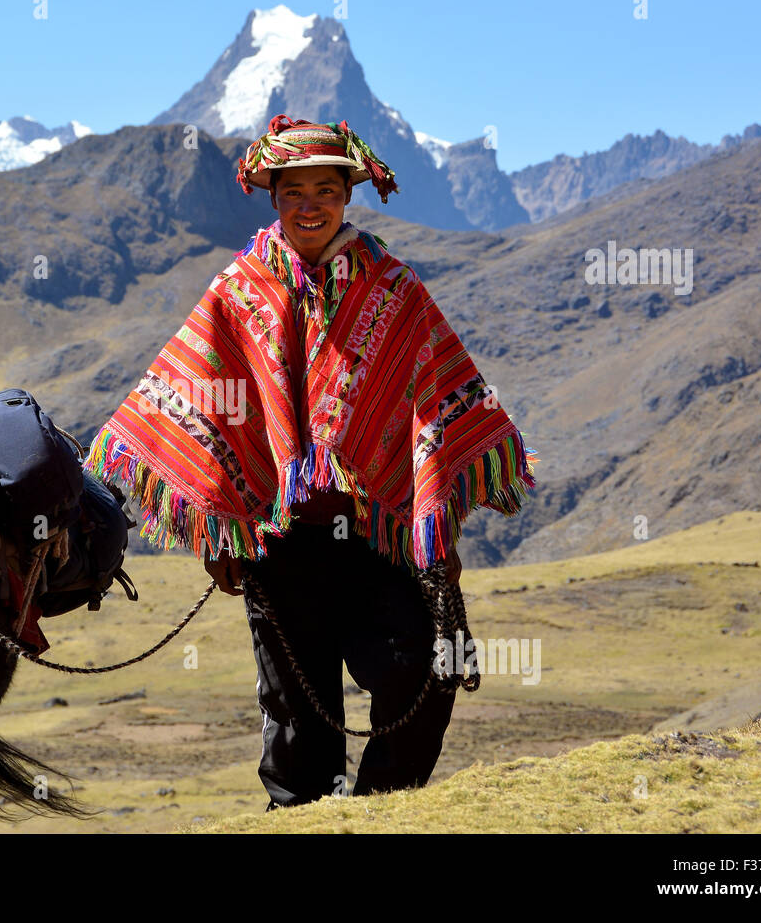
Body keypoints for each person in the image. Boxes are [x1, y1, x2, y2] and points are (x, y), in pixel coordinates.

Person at [87, 115, 537, 810]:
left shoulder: (395, 291)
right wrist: (221, 530)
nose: (310, 205)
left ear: (348, 196)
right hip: (281, 540)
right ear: (272, 197)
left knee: (420, 672)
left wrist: (434, 528)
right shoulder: (237, 294)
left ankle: (382, 811)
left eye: (326, 189)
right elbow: (200, 406)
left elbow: (436, 397)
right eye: (294, 191)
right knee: (297, 718)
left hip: (376, 536)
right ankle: (302, 821)